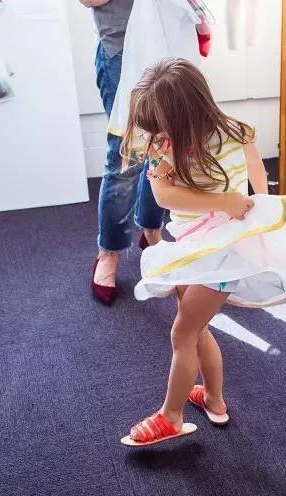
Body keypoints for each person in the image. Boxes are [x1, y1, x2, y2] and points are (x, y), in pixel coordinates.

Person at [119, 59, 286, 447]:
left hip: (225, 252)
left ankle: (171, 417)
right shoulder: (165, 144)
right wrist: (224, 200)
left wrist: (261, 204)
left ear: (186, 115)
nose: (156, 136)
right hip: (191, 245)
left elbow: (254, 162)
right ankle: (213, 400)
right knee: (197, 328)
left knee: (183, 332)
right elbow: (164, 195)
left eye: (162, 127)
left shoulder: (230, 133)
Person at [80, 0, 200, 305]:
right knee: (127, 156)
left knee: (166, 147)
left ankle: (151, 229)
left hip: (171, 47)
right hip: (123, 53)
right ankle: (109, 252)